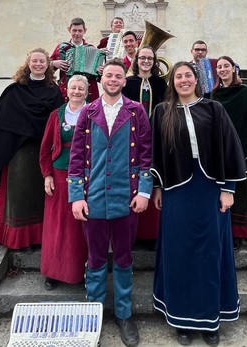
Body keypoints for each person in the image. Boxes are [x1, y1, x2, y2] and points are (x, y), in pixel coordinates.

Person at [151, 62, 247, 346]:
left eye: (188, 76)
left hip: (210, 189)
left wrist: (228, 188)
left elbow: (230, 147)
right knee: (178, 252)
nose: (183, 80)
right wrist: (157, 187)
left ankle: (210, 320)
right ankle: (180, 318)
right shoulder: (161, 112)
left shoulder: (214, 109)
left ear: (196, 80)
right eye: (178, 76)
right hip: (176, 190)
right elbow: (156, 153)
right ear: (172, 82)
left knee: (209, 252)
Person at [68, 59, 152, 347]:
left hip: (127, 197)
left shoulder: (137, 110)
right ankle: (93, 314)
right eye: (109, 75)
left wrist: (144, 191)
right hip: (93, 197)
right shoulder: (88, 113)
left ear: (124, 80)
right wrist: (76, 196)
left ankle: (124, 314)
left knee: (125, 257)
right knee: (95, 258)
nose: (113, 79)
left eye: (118, 76)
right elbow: (76, 157)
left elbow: (145, 154)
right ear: (101, 78)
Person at [0, 47, 64, 250]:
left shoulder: (53, 91)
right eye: (34, 61)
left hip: (43, 150)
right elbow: (3, 120)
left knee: (41, 195)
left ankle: (39, 237)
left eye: (42, 62)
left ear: (48, 65)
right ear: (28, 63)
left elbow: (58, 121)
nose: (38, 64)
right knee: (20, 194)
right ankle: (19, 239)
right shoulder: (15, 90)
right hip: (19, 150)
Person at [211, 55, 247, 249]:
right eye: (219, 67)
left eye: (226, 66)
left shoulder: (245, 92)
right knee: (222, 191)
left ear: (233, 69)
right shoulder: (214, 95)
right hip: (222, 151)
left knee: (243, 193)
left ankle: (242, 233)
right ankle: (225, 231)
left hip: (245, 150)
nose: (222, 69)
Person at [39, 75, 89, 289]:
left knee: (81, 226)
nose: (77, 91)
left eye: (81, 88)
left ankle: (80, 271)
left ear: (87, 92)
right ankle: (53, 272)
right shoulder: (56, 115)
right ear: (66, 91)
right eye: (73, 88)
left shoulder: (94, 113)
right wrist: (47, 174)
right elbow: (44, 147)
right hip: (60, 175)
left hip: (87, 175)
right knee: (57, 225)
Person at [122, 45, 167, 245]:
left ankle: (152, 233)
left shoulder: (161, 83)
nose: (146, 61)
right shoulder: (127, 82)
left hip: (157, 135)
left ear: (154, 61)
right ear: (137, 60)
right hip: (132, 136)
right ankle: (135, 231)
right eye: (143, 58)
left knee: (154, 175)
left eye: (150, 58)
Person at [50, 17, 101, 103]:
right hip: (67, 87)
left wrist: (100, 71)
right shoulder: (61, 47)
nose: (77, 33)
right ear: (69, 30)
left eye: (80, 31)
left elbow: (98, 76)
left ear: (85, 31)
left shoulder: (91, 48)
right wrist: (53, 63)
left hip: (89, 89)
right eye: (74, 30)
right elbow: (47, 69)